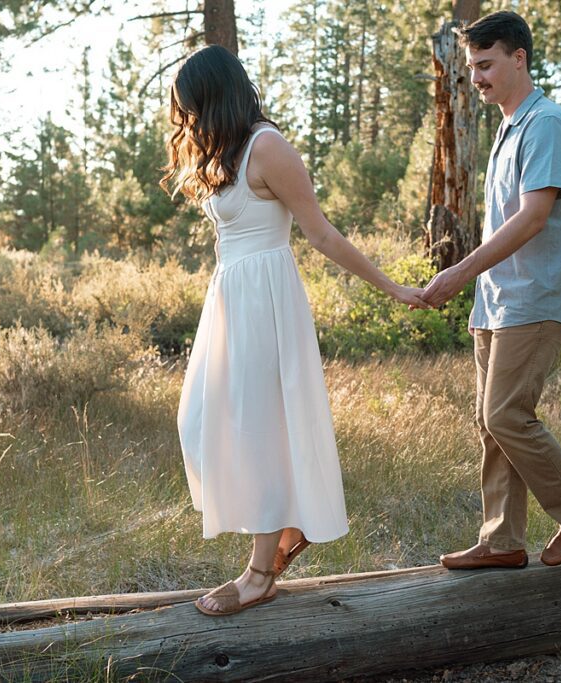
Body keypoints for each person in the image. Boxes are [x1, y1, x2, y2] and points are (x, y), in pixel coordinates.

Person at [162, 45, 427, 615]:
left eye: (193, 106)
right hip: (230, 297)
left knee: (257, 430)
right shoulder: (228, 152)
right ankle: (282, 530)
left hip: (266, 297)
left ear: (217, 95)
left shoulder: (268, 146)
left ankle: (260, 573)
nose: (188, 120)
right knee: (198, 420)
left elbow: (322, 235)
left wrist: (394, 288)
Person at [421, 10, 561, 570]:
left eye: (485, 64)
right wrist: (479, 291)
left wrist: (457, 273)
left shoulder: (546, 123)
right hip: (499, 299)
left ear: (519, 58)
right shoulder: (509, 128)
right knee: (490, 421)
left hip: (538, 295)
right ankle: (503, 540)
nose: (475, 77)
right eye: (471, 66)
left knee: (506, 414)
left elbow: (531, 219)